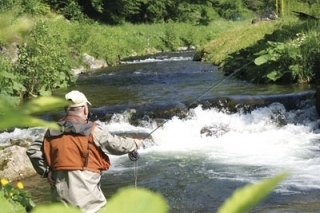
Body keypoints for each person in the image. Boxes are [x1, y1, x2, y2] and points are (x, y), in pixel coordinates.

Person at [42, 90, 143, 213]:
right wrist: (134, 144)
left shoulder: (50, 131)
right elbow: (116, 145)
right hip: (89, 203)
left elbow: (32, 151)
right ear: (84, 109)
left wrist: (47, 171)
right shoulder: (94, 131)